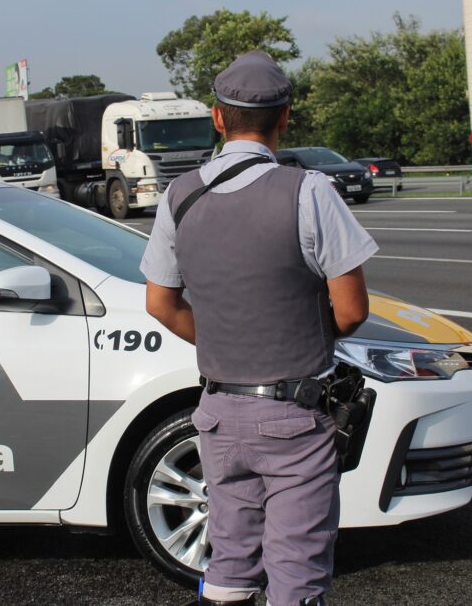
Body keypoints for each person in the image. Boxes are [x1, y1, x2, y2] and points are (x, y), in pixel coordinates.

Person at [140, 51, 377, 606]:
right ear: (285, 117)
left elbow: (161, 304)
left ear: (218, 119)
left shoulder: (180, 196)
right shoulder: (309, 191)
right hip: (295, 413)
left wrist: (226, 338)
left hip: (218, 413)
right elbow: (351, 311)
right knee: (297, 566)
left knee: (230, 557)